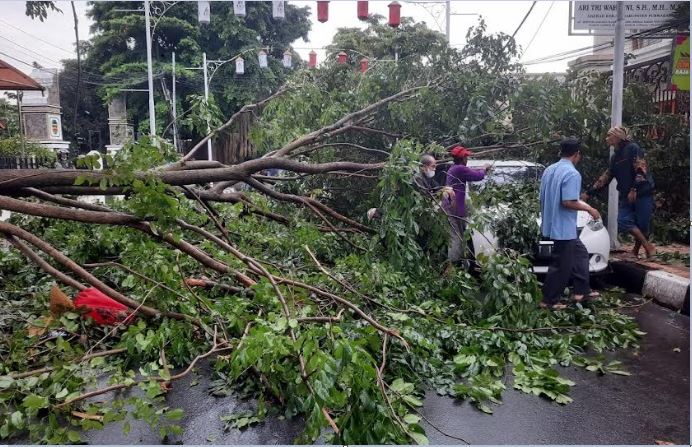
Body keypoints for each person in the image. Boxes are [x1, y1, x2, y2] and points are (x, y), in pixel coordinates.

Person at [539, 138, 601, 310]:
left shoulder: (549, 170)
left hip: (551, 224)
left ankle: (581, 291)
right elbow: (568, 202)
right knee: (561, 265)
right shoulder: (572, 173)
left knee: (580, 253)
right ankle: (549, 301)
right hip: (563, 228)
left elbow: (542, 197)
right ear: (577, 154)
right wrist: (589, 209)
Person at [581, 126, 656, 258]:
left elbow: (641, 169)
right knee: (623, 220)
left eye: (609, 135)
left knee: (642, 224)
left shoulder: (633, 148)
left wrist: (634, 189)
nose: (606, 139)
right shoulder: (615, 157)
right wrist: (589, 193)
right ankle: (648, 246)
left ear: (617, 136)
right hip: (626, 194)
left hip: (642, 192)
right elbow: (605, 178)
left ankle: (636, 251)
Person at [366, 154, 454, 220]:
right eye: (433, 166)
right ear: (424, 167)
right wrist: (442, 192)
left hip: (415, 208)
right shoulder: (417, 178)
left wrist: (444, 189)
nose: (434, 169)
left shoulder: (428, 177)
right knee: (393, 214)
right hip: (408, 207)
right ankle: (376, 213)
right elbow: (425, 196)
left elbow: (437, 188)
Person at [444, 146, 490, 268]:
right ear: (462, 158)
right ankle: (452, 265)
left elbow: (472, 172)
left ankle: (465, 261)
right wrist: (484, 169)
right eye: (466, 157)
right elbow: (477, 176)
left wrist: (481, 169)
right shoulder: (459, 169)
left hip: (453, 207)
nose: (467, 159)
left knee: (462, 235)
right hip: (454, 208)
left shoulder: (454, 168)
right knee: (456, 237)